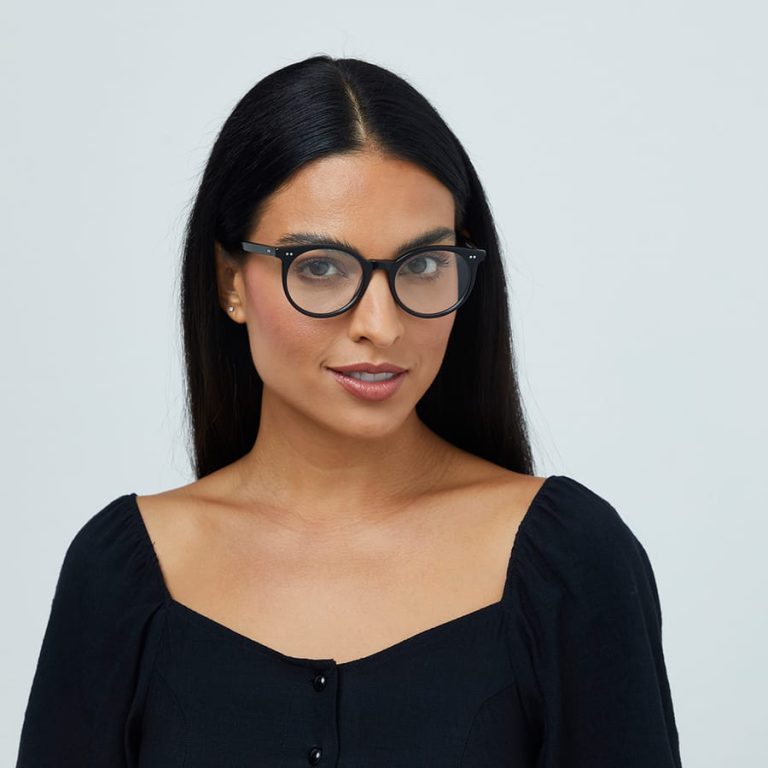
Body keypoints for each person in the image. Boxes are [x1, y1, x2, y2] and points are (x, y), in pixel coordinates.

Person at [15, 55, 683, 767]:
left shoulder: (571, 564)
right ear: (230, 281)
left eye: (422, 266)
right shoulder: (121, 575)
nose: (382, 326)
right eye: (320, 268)